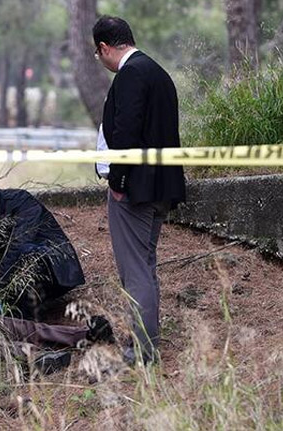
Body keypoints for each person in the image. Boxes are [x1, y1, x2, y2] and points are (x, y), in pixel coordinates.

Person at [93, 16, 186, 364]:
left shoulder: (131, 75)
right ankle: (149, 343)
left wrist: (117, 181)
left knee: (134, 271)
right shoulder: (158, 73)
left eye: (97, 55)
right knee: (145, 266)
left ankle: (142, 351)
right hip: (162, 186)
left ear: (104, 47)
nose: (100, 62)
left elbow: (127, 130)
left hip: (135, 190)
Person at [0, 181, 85, 320]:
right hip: (18, 268)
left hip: (55, 265)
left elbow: (18, 243)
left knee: (26, 254)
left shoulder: (21, 200)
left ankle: (26, 322)